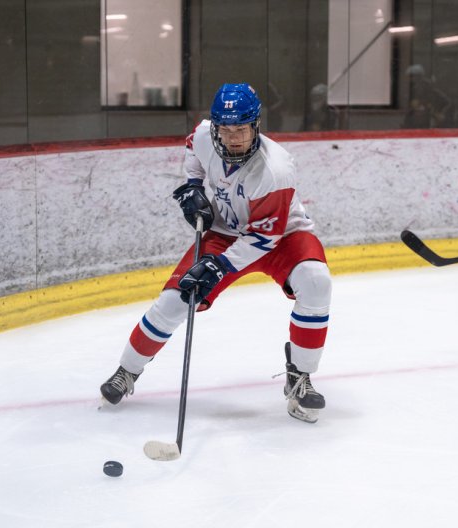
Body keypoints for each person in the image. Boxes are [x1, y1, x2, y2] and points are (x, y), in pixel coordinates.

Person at [100, 83, 332, 423]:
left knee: (315, 282)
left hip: (282, 236)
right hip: (224, 233)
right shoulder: (205, 134)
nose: (234, 137)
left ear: (256, 126)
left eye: (241, 129)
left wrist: (220, 266)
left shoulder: (275, 170)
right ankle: (127, 371)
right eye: (226, 129)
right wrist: (193, 185)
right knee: (175, 300)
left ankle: (300, 376)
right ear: (216, 126)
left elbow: (263, 238)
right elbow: (192, 151)